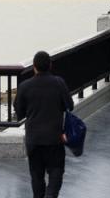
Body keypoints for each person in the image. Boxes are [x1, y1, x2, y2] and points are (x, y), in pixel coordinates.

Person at [14, 50, 74, 198]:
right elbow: (69, 106)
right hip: (54, 137)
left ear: (34, 67)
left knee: (36, 175)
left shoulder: (25, 86)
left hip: (34, 139)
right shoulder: (58, 83)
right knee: (56, 171)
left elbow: (19, 112)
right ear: (50, 65)